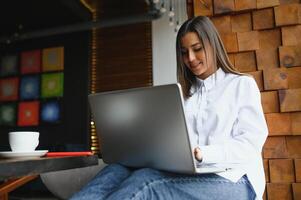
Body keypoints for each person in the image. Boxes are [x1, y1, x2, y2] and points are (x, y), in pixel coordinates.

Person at [70, 16, 268, 200]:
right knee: (116, 170)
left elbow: (250, 145)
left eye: (197, 48)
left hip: (236, 180)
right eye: (184, 52)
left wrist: (203, 153)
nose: (190, 58)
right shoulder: (183, 96)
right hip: (193, 175)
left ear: (212, 45)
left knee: (146, 182)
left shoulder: (241, 84)